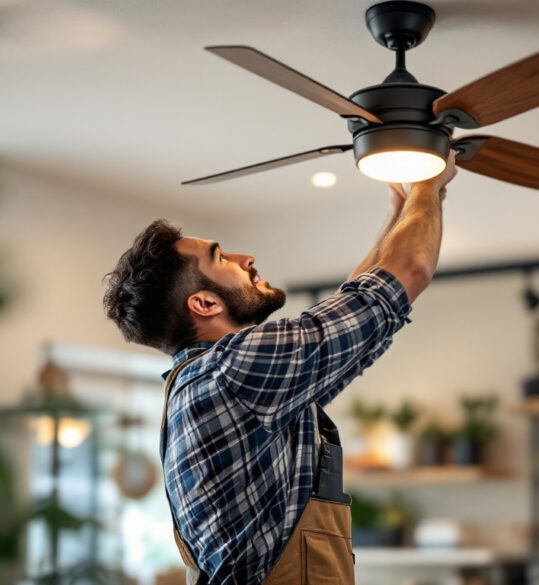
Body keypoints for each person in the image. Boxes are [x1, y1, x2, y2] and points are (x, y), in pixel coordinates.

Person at [101, 154, 457, 585]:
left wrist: (401, 208)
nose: (245, 257)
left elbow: (354, 312)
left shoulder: (208, 383)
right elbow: (405, 275)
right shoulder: (233, 370)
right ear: (205, 304)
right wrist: (426, 188)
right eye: (221, 257)